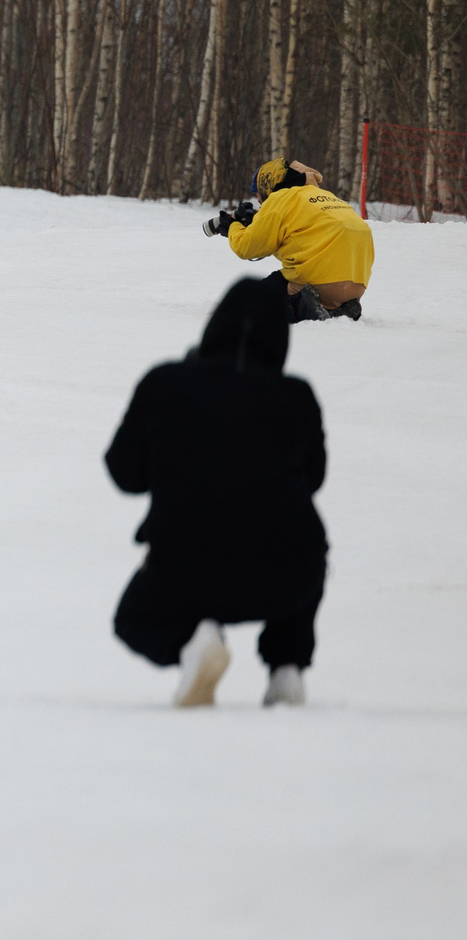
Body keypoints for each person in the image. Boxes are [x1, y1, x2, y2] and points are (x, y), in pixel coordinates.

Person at [106, 275, 329, 708]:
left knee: (134, 619)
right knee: (306, 543)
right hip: (286, 577)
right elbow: (313, 480)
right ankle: (287, 671)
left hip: (184, 568)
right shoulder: (295, 397)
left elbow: (124, 472)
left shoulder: (165, 383)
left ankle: (193, 642)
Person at [204, 158, 372, 321]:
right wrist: (256, 220)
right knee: (280, 280)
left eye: (259, 196)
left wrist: (232, 226)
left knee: (254, 301)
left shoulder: (280, 199)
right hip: (356, 285)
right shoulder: (324, 196)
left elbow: (246, 247)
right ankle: (341, 310)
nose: (260, 202)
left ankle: (305, 308)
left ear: (266, 186)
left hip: (318, 284)